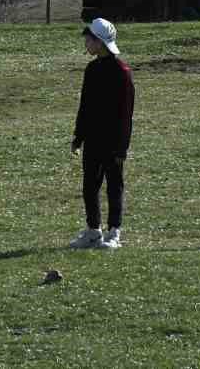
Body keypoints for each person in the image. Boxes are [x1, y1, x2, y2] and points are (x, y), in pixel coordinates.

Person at [69, 17, 134, 250]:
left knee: (114, 185)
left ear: (100, 42)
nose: (86, 43)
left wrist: (121, 148)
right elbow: (85, 107)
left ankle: (114, 232)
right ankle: (93, 231)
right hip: (93, 140)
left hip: (113, 142)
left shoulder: (122, 73)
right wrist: (78, 137)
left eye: (89, 39)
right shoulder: (92, 69)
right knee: (89, 186)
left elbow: (126, 114)